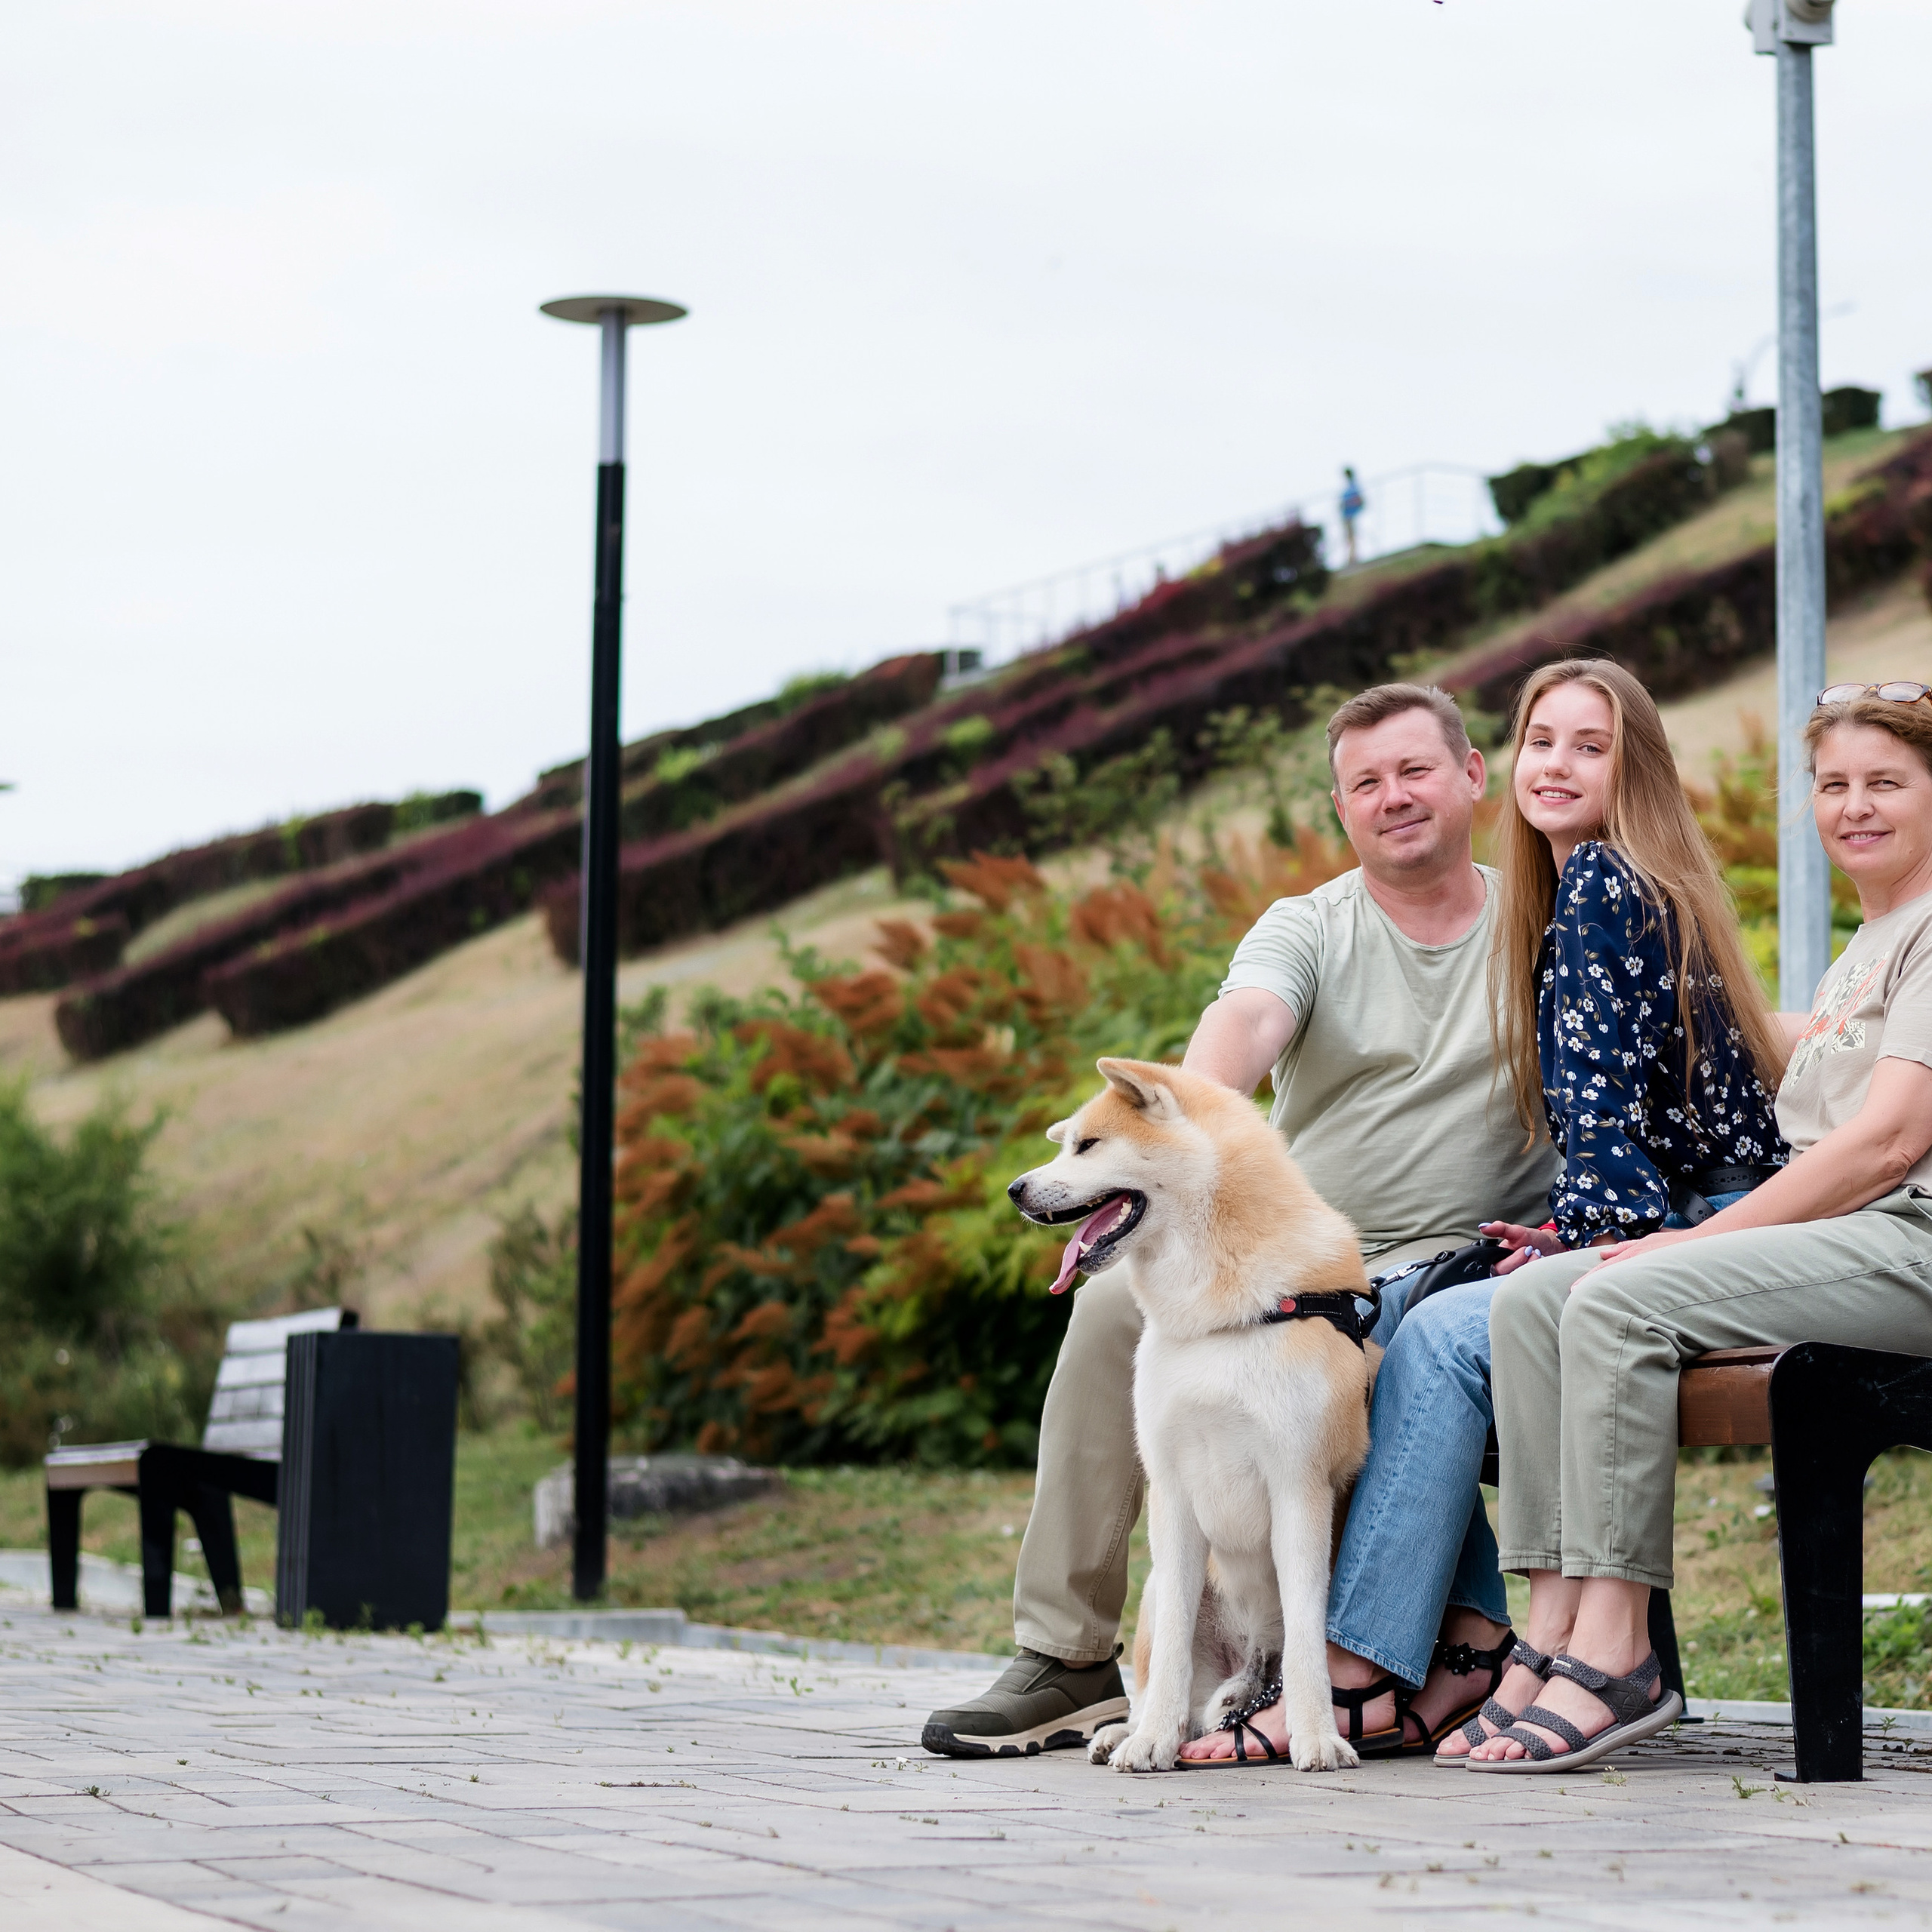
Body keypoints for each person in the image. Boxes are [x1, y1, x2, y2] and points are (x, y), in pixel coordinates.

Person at [923, 682, 1558, 1761]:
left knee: (1405, 1350)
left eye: (1413, 771)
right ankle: (1068, 1656)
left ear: (1470, 776)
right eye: (1365, 784)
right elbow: (1246, 1023)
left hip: (1465, 1267)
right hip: (1298, 1262)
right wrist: (1180, 1120)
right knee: (1112, 1316)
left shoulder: (1537, 924)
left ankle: (1400, 1666)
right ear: (1341, 808)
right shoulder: (1307, 927)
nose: (1392, 798)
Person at [1469, 681, 1932, 1772]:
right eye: (1833, 785)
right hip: (1860, 1232)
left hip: (1913, 1235)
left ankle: (1623, 1648)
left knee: (1620, 1291)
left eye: (1886, 784)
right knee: (1539, 1296)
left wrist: (1691, 1241)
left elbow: (1889, 1143)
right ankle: (1555, 1620)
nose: (1854, 806)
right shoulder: (1873, 941)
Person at [1411, 657, 1790, 1764]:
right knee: (1506, 1300)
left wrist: (1595, 1237)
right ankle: (1552, 1629)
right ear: (1513, 761)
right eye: (1542, 741)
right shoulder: (1623, 883)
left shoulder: (1599, 886)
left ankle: (1550, 1630)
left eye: (1592, 744)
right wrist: (1578, 1230)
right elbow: (1625, 1116)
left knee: (1449, 1327)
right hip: (1708, 1201)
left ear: (1635, 768)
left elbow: (1608, 1112)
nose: (1558, 765)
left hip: (1732, 1223)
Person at [1339, 467, 1366, 567]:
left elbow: (1360, 501)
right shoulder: (1351, 487)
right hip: (1347, 516)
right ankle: (1351, 557)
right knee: (1349, 537)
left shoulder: (1353, 487)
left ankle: (1352, 558)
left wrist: (1347, 505)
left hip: (1349, 516)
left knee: (1351, 537)